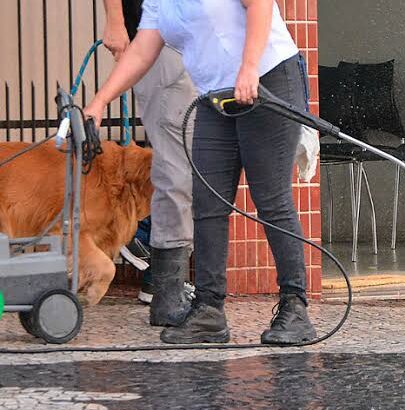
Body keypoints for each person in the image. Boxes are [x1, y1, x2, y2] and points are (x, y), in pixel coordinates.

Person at [85, 0, 317, 345]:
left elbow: (260, 5)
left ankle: (295, 308)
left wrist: (249, 68)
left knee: (271, 199)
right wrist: (101, 100)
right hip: (215, 96)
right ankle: (209, 311)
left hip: (267, 78)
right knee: (208, 202)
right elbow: (142, 51)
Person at [102, 0, 195, 325]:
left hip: (184, 42)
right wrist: (115, 21)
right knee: (181, 167)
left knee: (191, 165)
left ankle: (164, 279)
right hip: (162, 42)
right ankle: (156, 266)